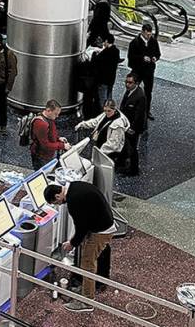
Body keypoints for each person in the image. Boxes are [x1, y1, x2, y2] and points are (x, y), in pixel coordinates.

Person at [44, 182, 116, 313]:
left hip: (101, 231)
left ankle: (87, 301)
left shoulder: (73, 201)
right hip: (103, 223)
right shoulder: (75, 186)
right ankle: (87, 288)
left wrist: (72, 243)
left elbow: (81, 227)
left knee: (87, 263)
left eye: (57, 203)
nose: (59, 205)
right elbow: (83, 222)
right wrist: (74, 241)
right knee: (87, 258)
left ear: (57, 196)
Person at [76, 100, 131, 168]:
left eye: (109, 111)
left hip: (108, 153)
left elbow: (113, 144)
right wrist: (83, 124)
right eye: (105, 110)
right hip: (101, 146)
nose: (107, 113)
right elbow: (95, 121)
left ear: (115, 109)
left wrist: (99, 153)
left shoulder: (118, 125)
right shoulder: (105, 114)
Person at [127, 24, 160, 120]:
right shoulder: (135, 42)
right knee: (132, 88)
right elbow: (131, 57)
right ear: (142, 32)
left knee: (148, 91)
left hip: (149, 71)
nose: (148, 36)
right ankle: (129, 108)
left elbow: (158, 53)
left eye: (150, 34)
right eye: (147, 34)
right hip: (138, 70)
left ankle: (146, 110)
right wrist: (142, 58)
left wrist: (155, 58)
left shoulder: (153, 41)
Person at [118, 73, 147, 175]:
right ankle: (124, 164)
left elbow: (139, 115)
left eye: (130, 83)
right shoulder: (130, 91)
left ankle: (133, 170)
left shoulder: (140, 96)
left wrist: (133, 128)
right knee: (127, 145)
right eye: (126, 82)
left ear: (137, 83)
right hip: (126, 124)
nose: (127, 84)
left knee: (133, 148)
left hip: (133, 128)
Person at [29, 99, 69, 170]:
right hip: (42, 157)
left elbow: (50, 133)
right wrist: (62, 146)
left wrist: (58, 138)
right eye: (55, 114)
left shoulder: (49, 118)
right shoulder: (41, 124)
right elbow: (45, 145)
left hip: (49, 154)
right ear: (48, 110)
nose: (57, 116)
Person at [92, 34, 123, 106]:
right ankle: (110, 110)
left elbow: (96, 61)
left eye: (104, 41)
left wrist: (95, 54)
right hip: (111, 78)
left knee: (103, 99)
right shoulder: (116, 51)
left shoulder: (105, 53)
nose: (103, 43)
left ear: (106, 41)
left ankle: (104, 112)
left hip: (103, 79)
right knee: (109, 96)